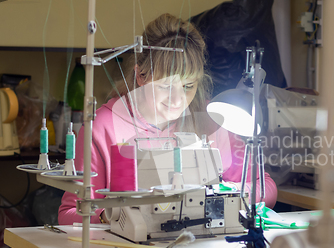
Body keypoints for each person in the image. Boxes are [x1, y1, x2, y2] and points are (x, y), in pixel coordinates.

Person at [58, 13, 277, 225]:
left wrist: (225, 195)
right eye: (166, 87)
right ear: (141, 75)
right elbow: (68, 214)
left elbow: (266, 187)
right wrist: (111, 214)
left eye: (188, 87)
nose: (178, 100)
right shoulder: (103, 128)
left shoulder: (212, 119)